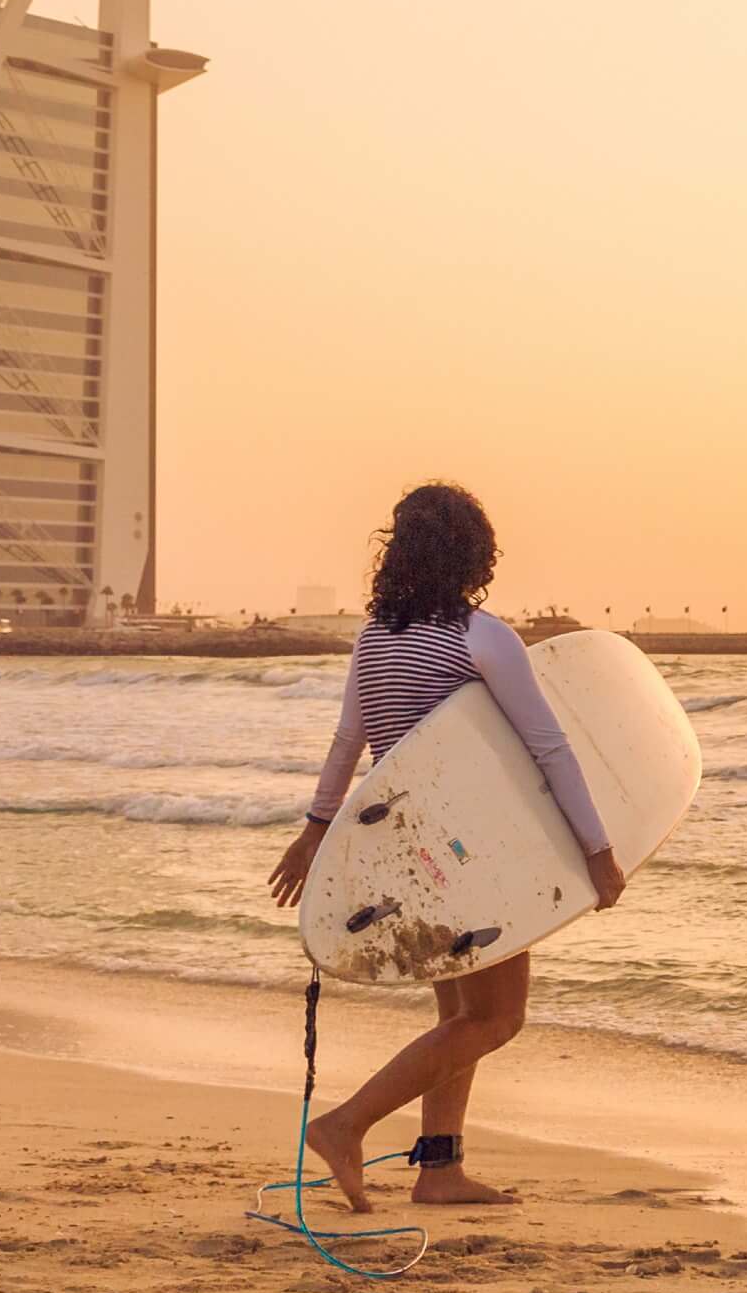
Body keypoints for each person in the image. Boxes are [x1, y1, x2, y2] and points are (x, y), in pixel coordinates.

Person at [266, 484, 621, 1211]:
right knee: (496, 1018)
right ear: (472, 552)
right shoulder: (480, 636)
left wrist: (313, 832)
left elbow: (349, 746)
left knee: (457, 1017)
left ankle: (440, 1169)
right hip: (473, 852)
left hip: (405, 853)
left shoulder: (374, 638)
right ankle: (347, 1123)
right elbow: (548, 748)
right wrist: (597, 849)